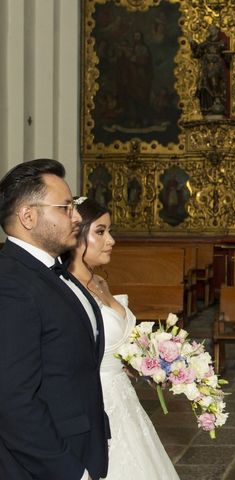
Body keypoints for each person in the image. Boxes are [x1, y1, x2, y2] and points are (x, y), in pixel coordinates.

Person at [0, 159, 109, 480]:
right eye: (65, 207)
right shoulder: (11, 283)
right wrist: (69, 471)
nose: (76, 216)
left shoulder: (56, 272)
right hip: (48, 462)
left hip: (80, 445)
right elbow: (13, 400)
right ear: (28, 216)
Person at [67, 198, 180, 480]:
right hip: (98, 401)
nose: (112, 240)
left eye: (110, 231)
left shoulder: (99, 282)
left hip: (125, 398)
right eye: (101, 231)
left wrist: (148, 364)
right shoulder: (67, 291)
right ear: (76, 236)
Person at [190, 25, 232, 117]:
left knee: (215, 82)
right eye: (210, 30)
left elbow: (226, 55)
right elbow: (197, 53)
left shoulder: (221, 43)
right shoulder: (206, 43)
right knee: (205, 84)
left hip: (217, 67)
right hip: (207, 67)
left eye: (213, 29)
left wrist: (228, 56)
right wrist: (193, 45)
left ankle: (217, 99)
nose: (211, 31)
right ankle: (210, 106)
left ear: (217, 31)